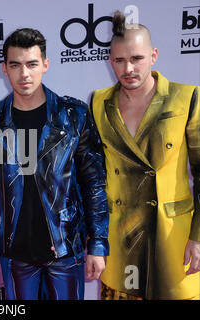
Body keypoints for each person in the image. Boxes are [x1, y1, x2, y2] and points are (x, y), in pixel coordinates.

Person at [0, 28, 109, 300]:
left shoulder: (74, 114)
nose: (24, 74)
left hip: (65, 248)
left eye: (32, 64)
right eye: (16, 65)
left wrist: (98, 244)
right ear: (4, 69)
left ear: (45, 65)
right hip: (15, 252)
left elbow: (94, 183)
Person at [91, 11, 200, 300]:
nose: (129, 68)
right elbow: (92, 177)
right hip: (120, 237)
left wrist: (198, 236)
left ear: (153, 55)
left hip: (171, 237)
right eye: (120, 60)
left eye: (137, 58)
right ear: (110, 60)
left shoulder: (186, 97)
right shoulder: (98, 102)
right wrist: (95, 241)